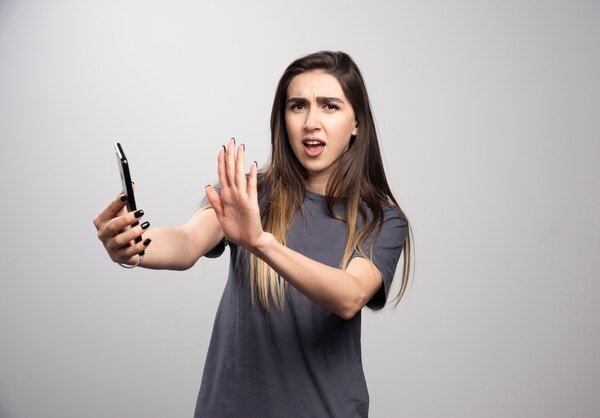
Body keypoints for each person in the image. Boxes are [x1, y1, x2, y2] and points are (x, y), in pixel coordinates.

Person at [93, 51, 412, 418]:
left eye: (329, 106)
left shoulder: (381, 220)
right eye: (297, 106)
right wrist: (134, 246)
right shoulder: (250, 194)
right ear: (283, 119)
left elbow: (349, 295)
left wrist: (261, 242)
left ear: (356, 122)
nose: (311, 122)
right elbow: (186, 242)